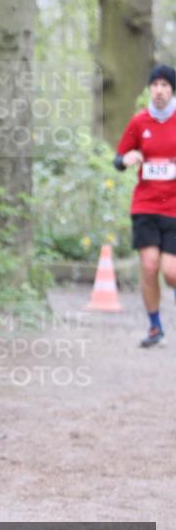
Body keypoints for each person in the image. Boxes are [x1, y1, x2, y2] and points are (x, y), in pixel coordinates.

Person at [114, 64, 176, 347]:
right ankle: (155, 327)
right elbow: (119, 157)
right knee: (149, 267)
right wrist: (126, 160)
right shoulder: (140, 122)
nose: (159, 90)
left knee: (171, 271)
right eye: (155, 85)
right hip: (146, 206)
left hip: (174, 208)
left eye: (165, 85)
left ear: (172, 90)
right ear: (149, 89)